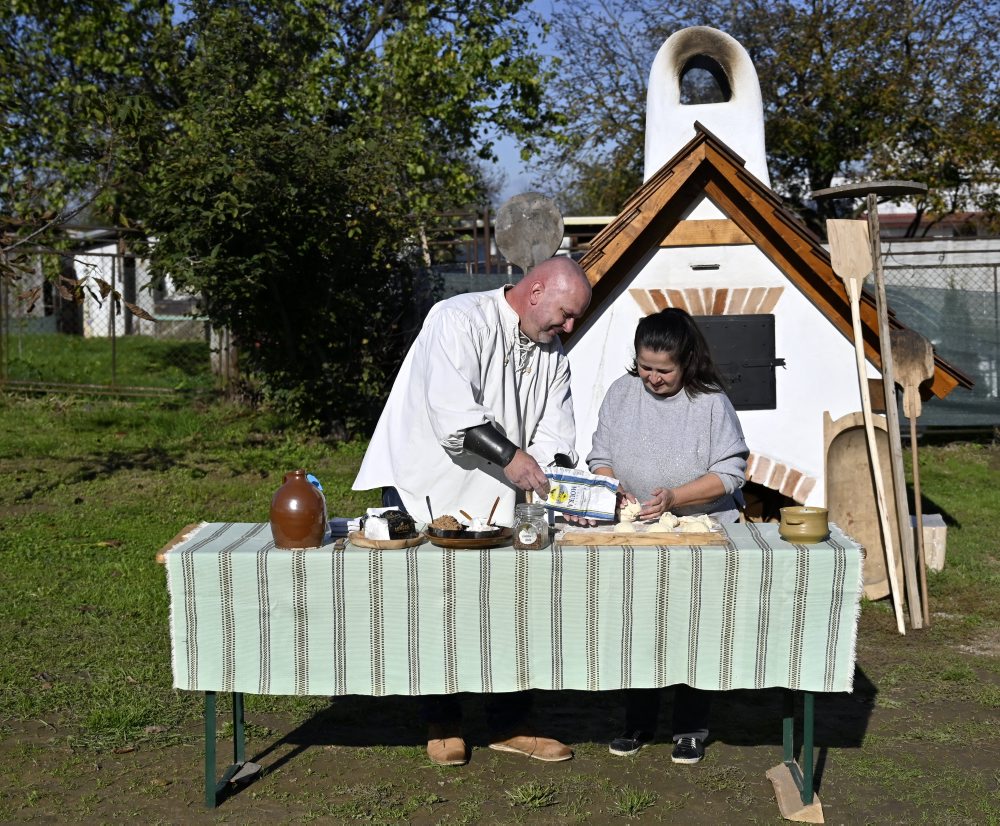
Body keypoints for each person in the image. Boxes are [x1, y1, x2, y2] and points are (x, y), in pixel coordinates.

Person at [353, 256, 592, 767]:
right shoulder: (457, 318)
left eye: (573, 319)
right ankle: (443, 722)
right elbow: (453, 417)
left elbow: (557, 432)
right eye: (564, 314)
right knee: (434, 608)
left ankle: (511, 724)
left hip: (501, 498)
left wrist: (557, 478)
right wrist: (514, 457)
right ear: (535, 293)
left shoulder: (554, 352)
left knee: (512, 609)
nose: (568, 327)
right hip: (430, 490)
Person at [585, 307, 748, 764]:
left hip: (699, 531)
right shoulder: (621, 393)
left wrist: (675, 497)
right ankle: (638, 721)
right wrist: (608, 483)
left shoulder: (711, 401)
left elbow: (731, 473)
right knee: (638, 626)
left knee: (693, 626)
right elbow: (600, 455)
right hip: (638, 529)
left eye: (664, 370)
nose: (653, 378)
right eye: (645, 367)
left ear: (687, 361)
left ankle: (691, 727)